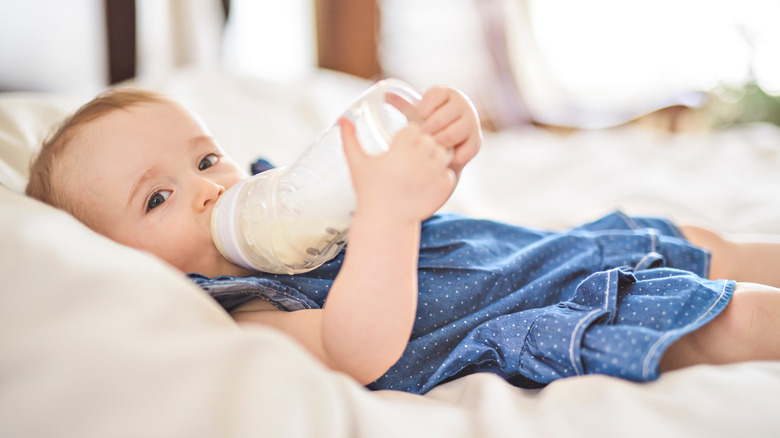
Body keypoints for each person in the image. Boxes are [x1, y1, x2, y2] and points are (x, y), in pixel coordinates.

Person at [25, 86, 780, 394]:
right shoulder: (244, 309)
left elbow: (417, 206)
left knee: (706, 238)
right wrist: (385, 215)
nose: (208, 188)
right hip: (556, 314)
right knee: (734, 314)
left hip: (547, 253)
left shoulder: (286, 206)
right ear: (115, 262)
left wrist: (441, 149)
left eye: (204, 158)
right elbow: (359, 348)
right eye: (158, 198)